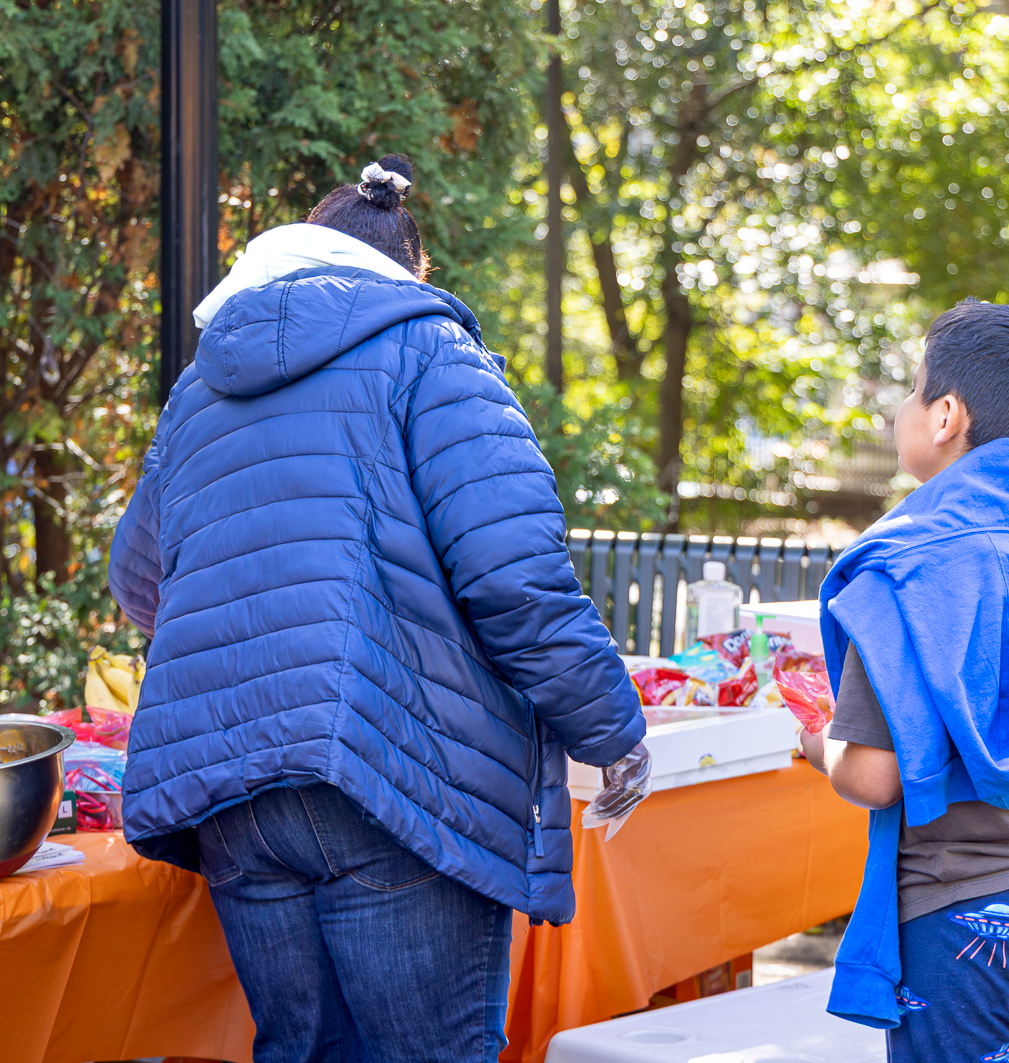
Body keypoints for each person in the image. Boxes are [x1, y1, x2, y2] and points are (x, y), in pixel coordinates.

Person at [108, 155, 649, 1063]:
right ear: (410, 274)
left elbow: (139, 580)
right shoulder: (432, 355)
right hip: (387, 775)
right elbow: (513, 573)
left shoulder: (197, 393)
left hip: (230, 791)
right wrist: (613, 730)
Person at [800, 302, 1009, 1063]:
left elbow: (875, 777)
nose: (904, 408)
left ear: (947, 415)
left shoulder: (907, 561)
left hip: (973, 904)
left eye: (914, 389)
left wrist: (817, 742)